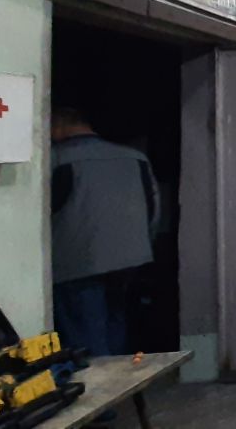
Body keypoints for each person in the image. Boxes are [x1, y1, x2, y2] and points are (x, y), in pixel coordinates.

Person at [50, 107, 159, 356]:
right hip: (130, 259)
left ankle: (99, 380)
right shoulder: (136, 158)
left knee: (85, 335)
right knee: (116, 323)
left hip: (77, 263)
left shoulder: (56, 159)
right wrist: (144, 245)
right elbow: (153, 209)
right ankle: (120, 377)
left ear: (58, 124)